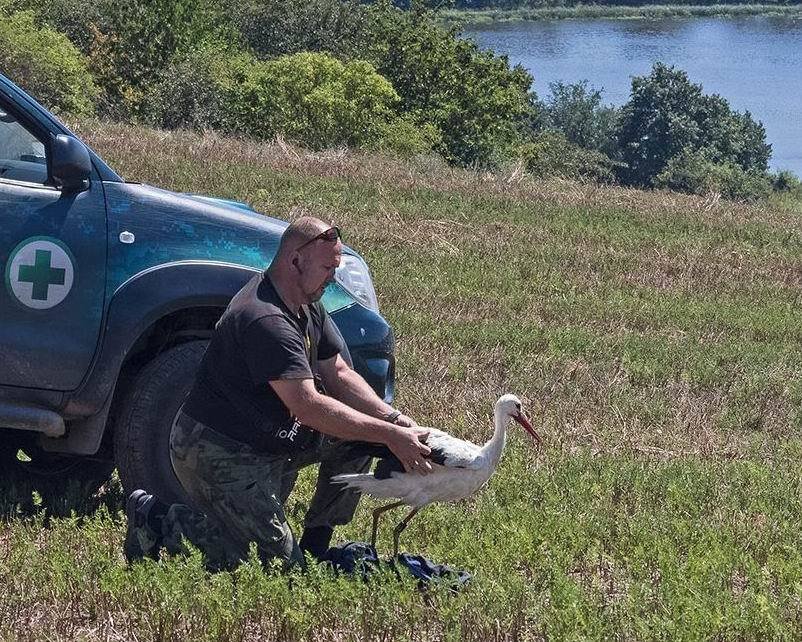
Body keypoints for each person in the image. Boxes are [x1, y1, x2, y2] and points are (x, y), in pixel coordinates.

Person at [124, 216, 432, 569]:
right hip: (220, 451)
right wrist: (390, 434)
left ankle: (317, 540)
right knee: (274, 567)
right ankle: (159, 519)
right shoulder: (265, 319)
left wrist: (391, 420)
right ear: (295, 261)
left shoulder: (306, 301)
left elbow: (338, 372)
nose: (333, 276)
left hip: (275, 439)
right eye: (328, 267)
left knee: (363, 439)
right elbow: (308, 407)